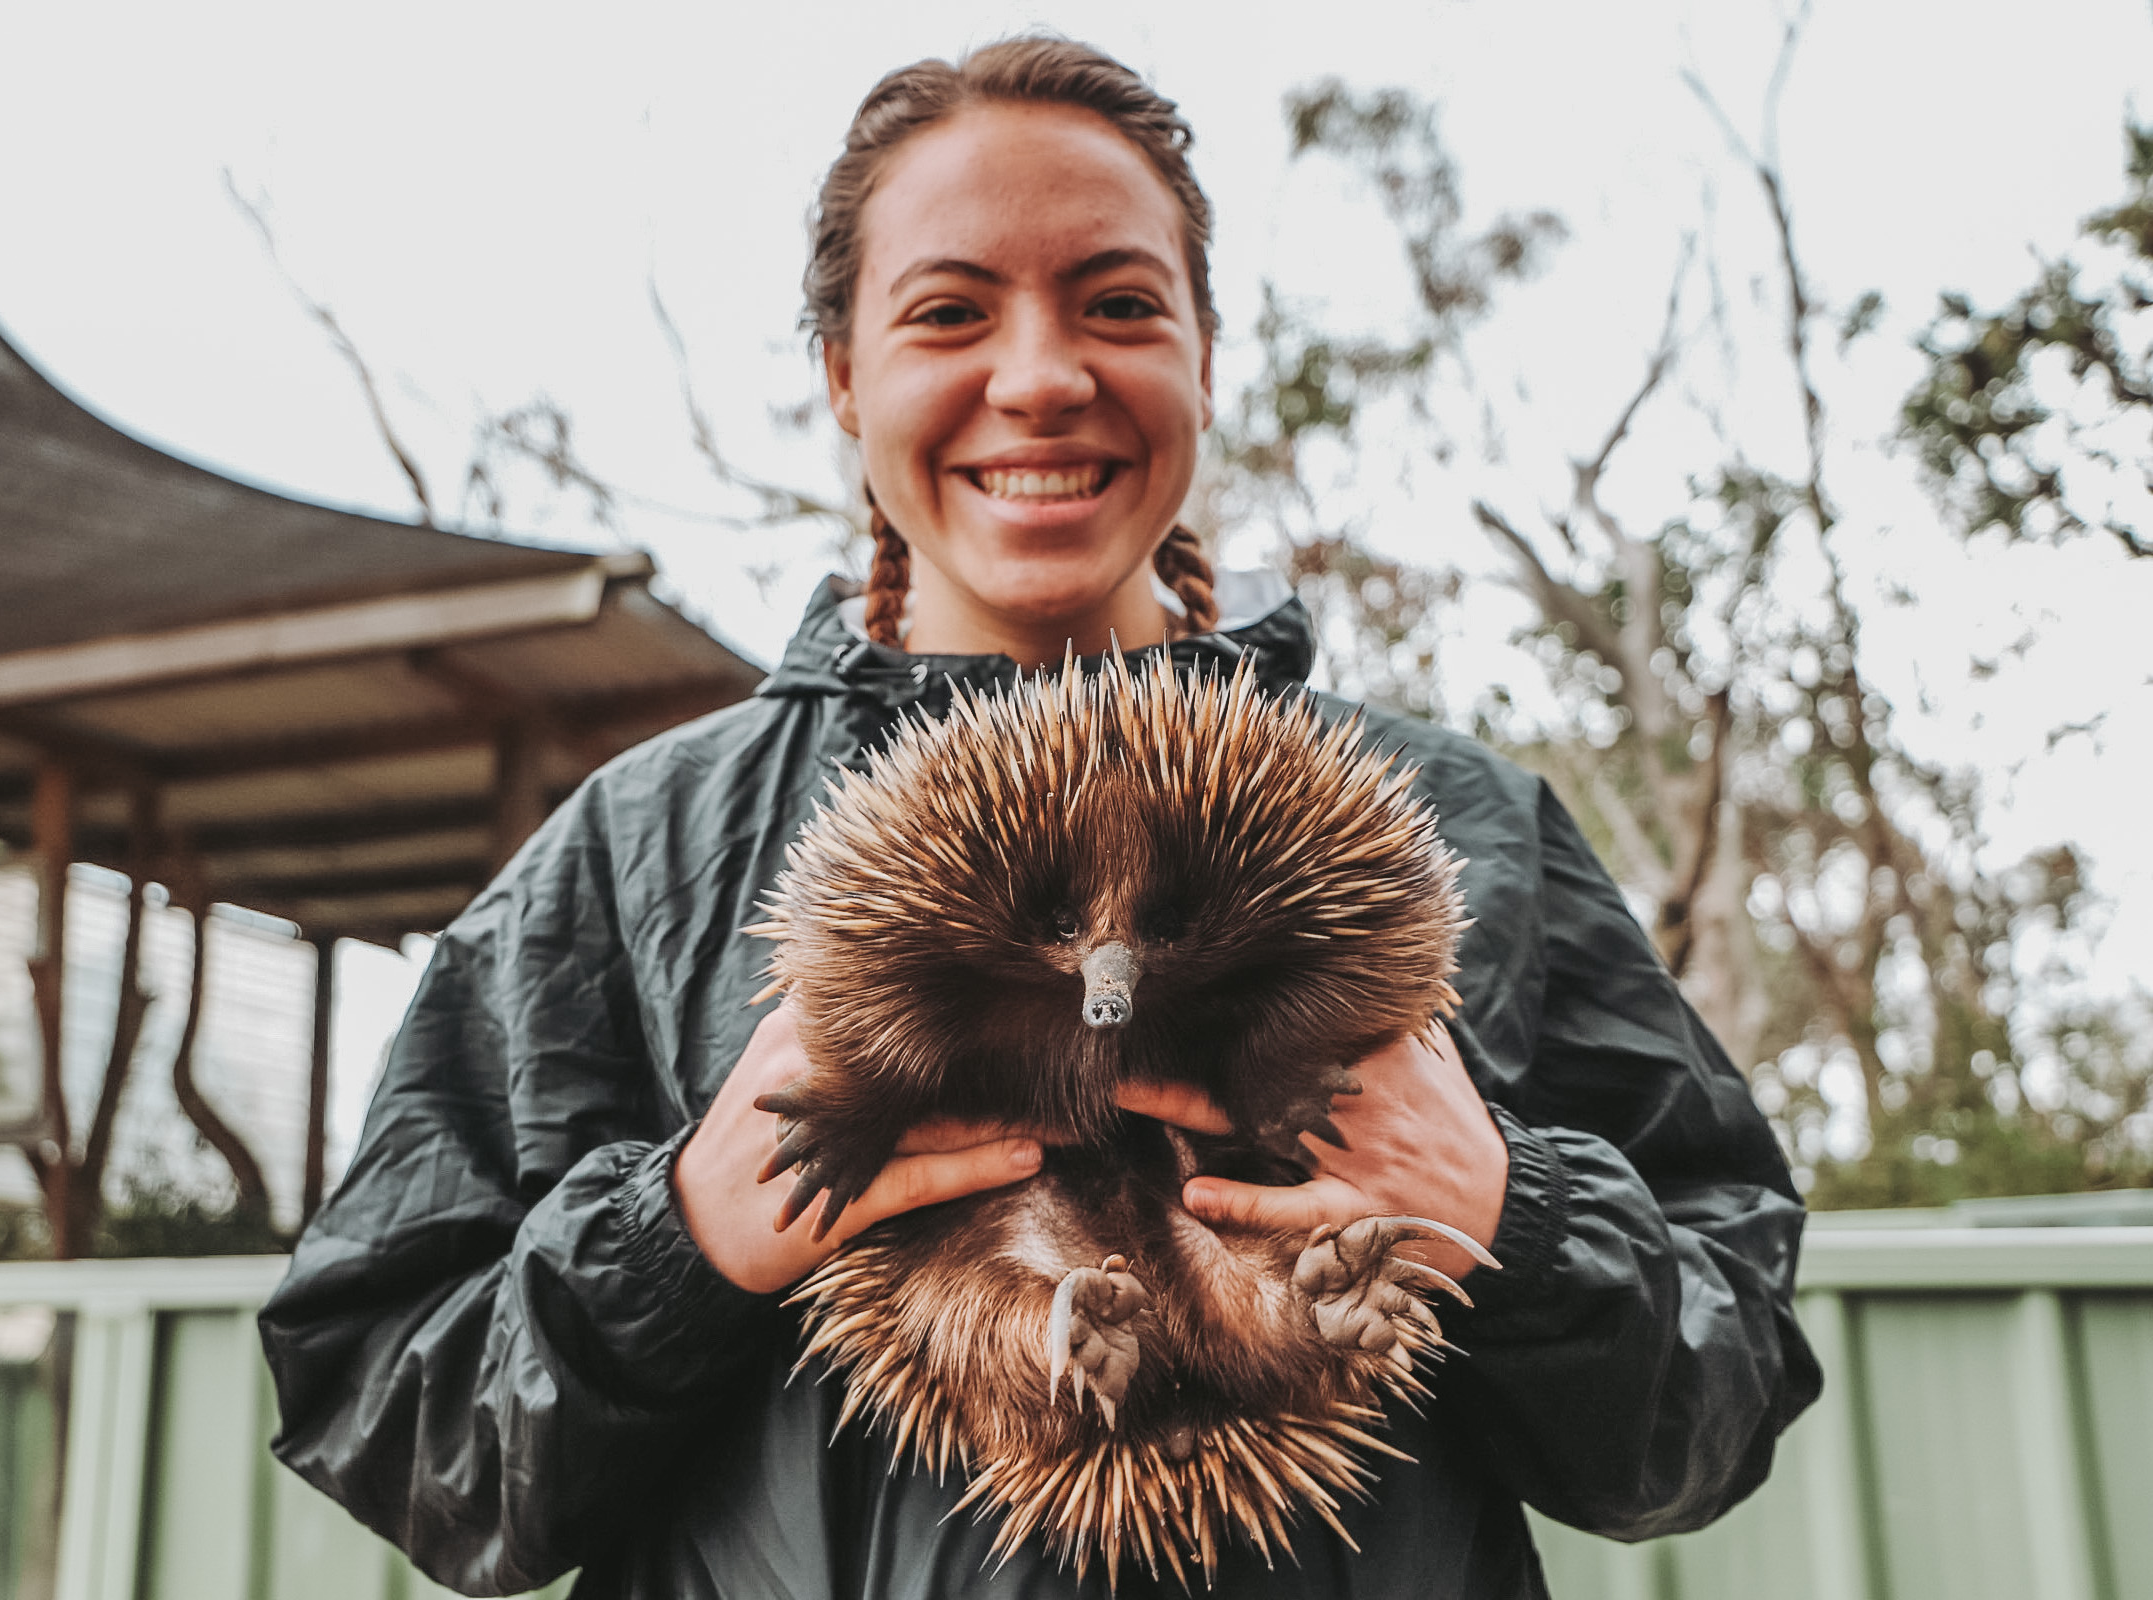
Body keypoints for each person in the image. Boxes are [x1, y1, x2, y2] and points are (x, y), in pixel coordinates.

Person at [259, 36, 1820, 1600]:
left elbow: (1715, 1396)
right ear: (844, 374)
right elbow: (391, 1419)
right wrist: (680, 1238)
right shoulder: (639, 855)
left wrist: (1508, 1212)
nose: (1039, 377)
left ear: (1206, 353)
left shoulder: (1461, 823)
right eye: (949, 312)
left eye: (1119, 303)